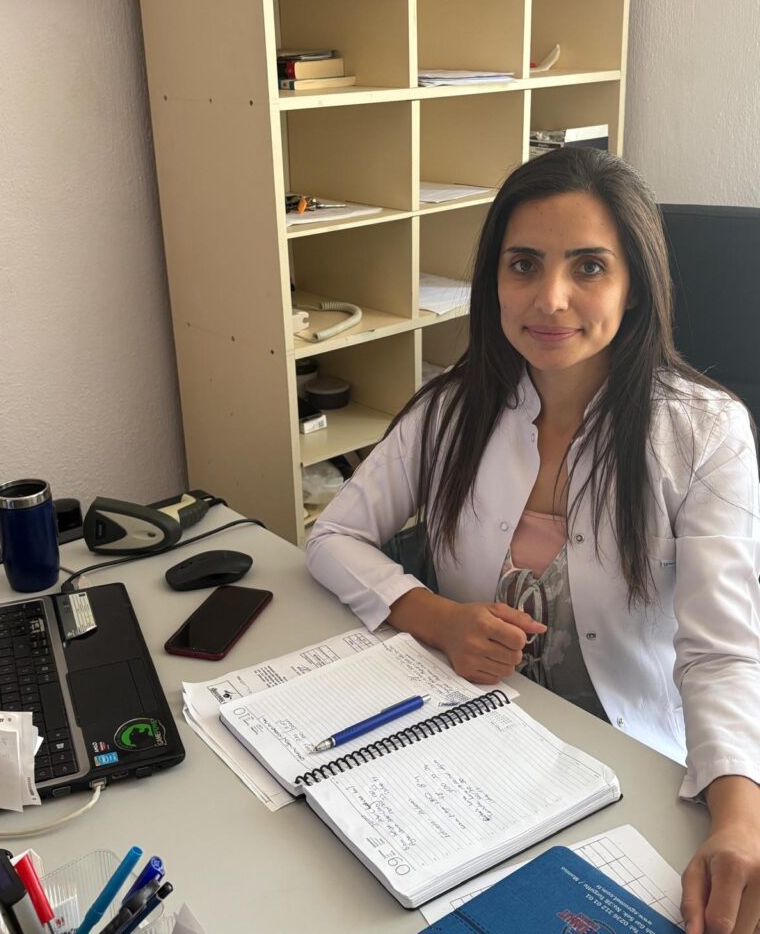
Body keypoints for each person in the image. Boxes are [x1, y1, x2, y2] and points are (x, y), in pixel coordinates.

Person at [306, 147, 760, 934]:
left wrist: (741, 823)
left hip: (634, 767)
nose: (551, 299)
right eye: (524, 265)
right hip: (470, 751)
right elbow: (333, 535)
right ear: (495, 280)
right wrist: (439, 618)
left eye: (589, 267)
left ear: (634, 285)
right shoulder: (452, 409)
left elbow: (722, 651)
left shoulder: (704, 433)